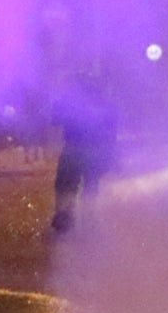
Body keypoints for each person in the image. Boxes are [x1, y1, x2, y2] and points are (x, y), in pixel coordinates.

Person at [50, 73, 118, 234]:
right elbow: (111, 130)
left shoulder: (70, 102)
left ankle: (65, 216)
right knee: (91, 184)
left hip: (74, 148)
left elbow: (55, 120)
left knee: (66, 183)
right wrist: (110, 154)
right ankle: (88, 218)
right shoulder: (104, 103)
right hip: (94, 150)